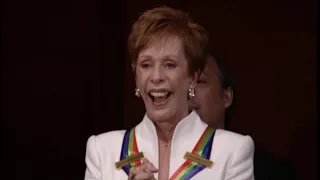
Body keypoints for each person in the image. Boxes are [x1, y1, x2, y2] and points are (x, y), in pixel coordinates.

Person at [84, 6, 254, 180]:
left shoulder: (232, 150)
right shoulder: (101, 150)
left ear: (193, 78)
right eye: (146, 65)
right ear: (136, 76)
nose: (156, 77)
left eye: (169, 65)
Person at [189, 55, 296, 180]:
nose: (188, 91)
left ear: (226, 97)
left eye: (199, 81)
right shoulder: (161, 159)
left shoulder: (270, 171)